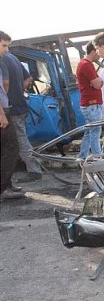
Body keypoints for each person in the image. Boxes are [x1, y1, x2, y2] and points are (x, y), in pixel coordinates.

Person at [1, 33, 42, 183]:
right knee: (19, 138)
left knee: (19, 139)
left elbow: (5, 82)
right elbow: (29, 78)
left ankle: (34, 170)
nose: (6, 48)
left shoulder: (2, 59)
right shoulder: (13, 58)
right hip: (20, 104)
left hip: (10, 107)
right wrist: (19, 90)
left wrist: (5, 97)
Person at [0, 31, 24, 199]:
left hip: (4, 108)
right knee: (12, 148)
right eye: (3, 45)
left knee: (6, 149)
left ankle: (6, 184)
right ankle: (4, 187)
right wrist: (1, 113)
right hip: (2, 111)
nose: (7, 49)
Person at [76, 42, 103, 159]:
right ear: (92, 51)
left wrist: (97, 81)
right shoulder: (86, 65)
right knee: (95, 132)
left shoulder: (83, 63)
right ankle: (98, 159)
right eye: (97, 52)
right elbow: (97, 84)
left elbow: (95, 83)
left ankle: (82, 157)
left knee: (89, 132)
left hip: (88, 104)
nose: (99, 55)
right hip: (92, 104)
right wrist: (100, 80)